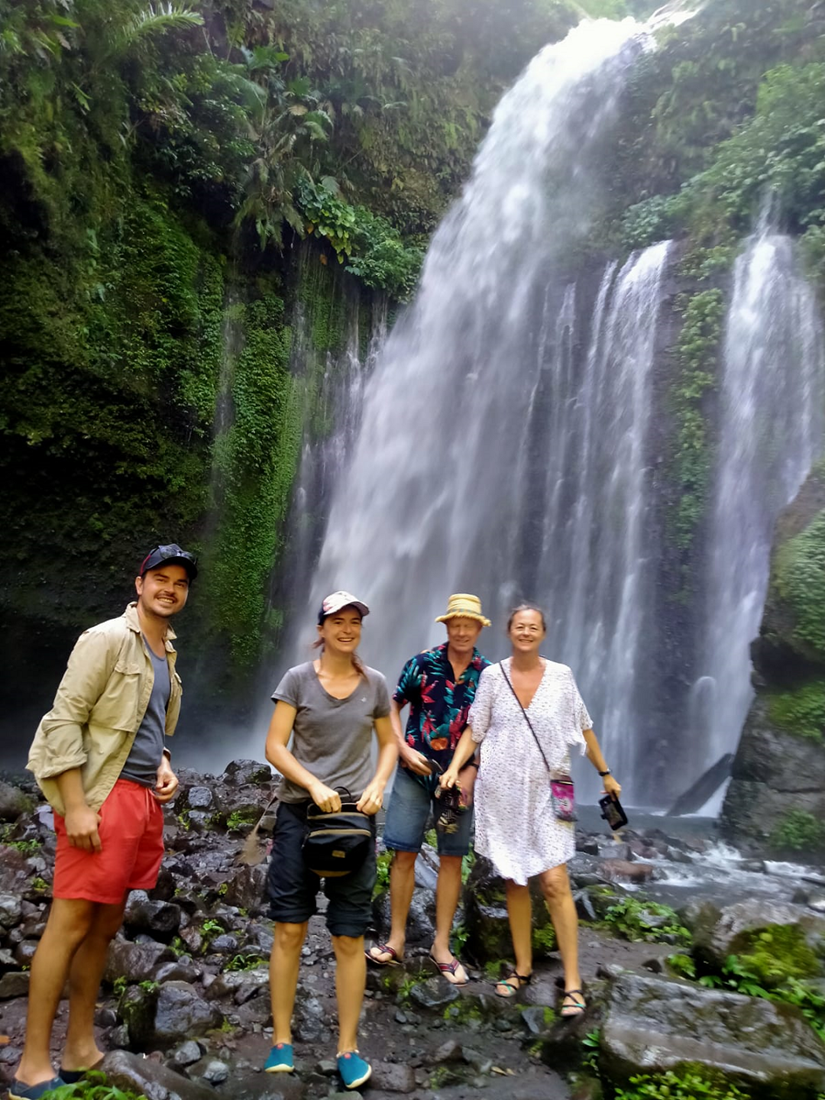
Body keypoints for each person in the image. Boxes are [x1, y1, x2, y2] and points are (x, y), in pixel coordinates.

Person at [13, 544, 196, 1100]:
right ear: (139, 583)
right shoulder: (108, 639)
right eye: (159, 578)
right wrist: (75, 805)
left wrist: (163, 766)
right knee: (69, 923)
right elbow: (63, 722)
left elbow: (143, 729)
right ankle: (30, 1068)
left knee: (103, 926)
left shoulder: (165, 650)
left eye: (180, 583)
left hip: (140, 798)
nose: (169, 588)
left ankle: (79, 1048)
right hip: (102, 795)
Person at [440, 604, 621, 1016]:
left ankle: (573, 981)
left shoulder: (561, 676)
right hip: (501, 791)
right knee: (514, 881)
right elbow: (475, 729)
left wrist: (606, 773)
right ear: (509, 632)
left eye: (533, 627)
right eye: (519, 626)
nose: (526, 632)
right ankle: (521, 967)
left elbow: (584, 726)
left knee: (554, 881)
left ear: (543, 633)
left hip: (552, 790)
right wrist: (454, 767)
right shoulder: (492, 676)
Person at [263, 590, 397, 1092]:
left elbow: (389, 744)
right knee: (289, 929)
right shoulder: (297, 680)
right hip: (300, 814)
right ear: (321, 628)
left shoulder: (376, 685)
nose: (346, 628)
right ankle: (281, 1040)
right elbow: (275, 744)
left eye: (354, 621)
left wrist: (379, 784)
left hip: (354, 821)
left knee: (348, 935)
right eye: (336, 621)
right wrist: (313, 784)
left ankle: (347, 1047)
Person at [367, 593, 491, 985]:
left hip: (460, 783)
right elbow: (391, 705)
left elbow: (492, 728)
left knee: (452, 859)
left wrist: (472, 774)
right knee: (402, 853)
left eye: (468, 624)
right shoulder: (421, 664)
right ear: (447, 626)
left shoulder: (488, 675)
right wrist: (400, 748)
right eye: (455, 623)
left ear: (478, 628)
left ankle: (442, 945)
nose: (461, 630)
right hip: (414, 775)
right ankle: (396, 940)